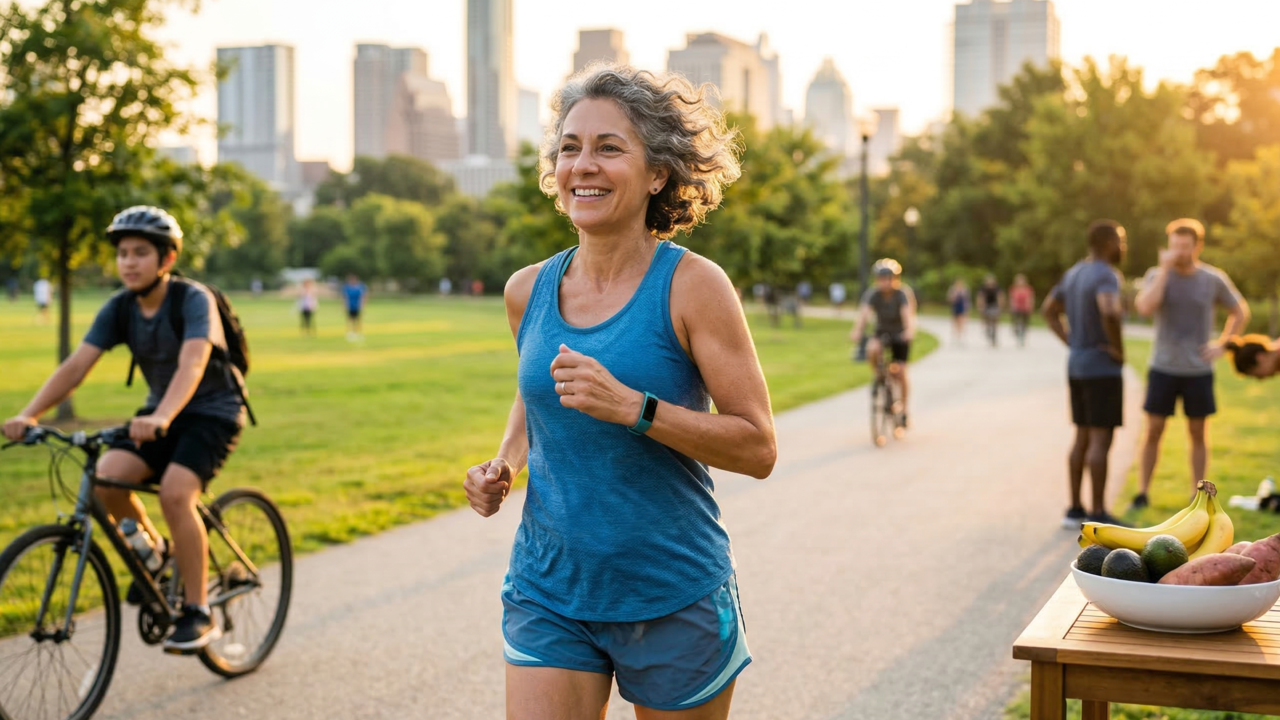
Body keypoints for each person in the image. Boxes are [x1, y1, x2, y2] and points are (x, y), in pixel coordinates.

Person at [462, 64, 775, 720]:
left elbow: (757, 447)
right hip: (549, 588)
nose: (584, 165)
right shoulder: (527, 290)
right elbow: (537, 391)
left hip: (672, 592)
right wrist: (504, 464)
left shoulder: (694, 286)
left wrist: (636, 409)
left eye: (609, 148)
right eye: (570, 147)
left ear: (658, 173)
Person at [3, 206, 246, 652]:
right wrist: (29, 414)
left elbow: (193, 362)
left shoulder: (192, 299)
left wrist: (162, 418)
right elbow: (76, 365)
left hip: (212, 411)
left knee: (176, 494)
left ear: (167, 259)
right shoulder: (120, 307)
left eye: (140, 253)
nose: (129, 263)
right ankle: (161, 557)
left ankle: (198, 610)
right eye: (122, 254)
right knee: (104, 482)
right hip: (158, 412)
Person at [1130, 219, 1248, 510]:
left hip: (1198, 370)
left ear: (1198, 246)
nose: (1180, 252)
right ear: (1168, 246)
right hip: (1163, 367)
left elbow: (1239, 310)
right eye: (1175, 246)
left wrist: (1223, 344)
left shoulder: (1212, 278)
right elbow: (1145, 308)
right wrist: (1166, 271)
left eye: (1185, 246)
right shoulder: (1157, 275)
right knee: (1153, 430)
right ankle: (1143, 492)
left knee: (1198, 433)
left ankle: (1199, 496)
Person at [1043, 220, 1128, 529]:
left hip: (1077, 365)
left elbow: (1048, 310)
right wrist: (1119, 349)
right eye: (1120, 240)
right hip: (1101, 366)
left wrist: (1072, 342)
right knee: (1100, 439)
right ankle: (1098, 512)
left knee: (1081, 435)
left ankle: (1075, 509)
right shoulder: (1106, 274)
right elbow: (1108, 310)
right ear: (1107, 243)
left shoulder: (1074, 272)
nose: (1123, 246)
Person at [850, 258, 918, 427]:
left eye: (888, 278)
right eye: (881, 278)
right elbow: (864, 314)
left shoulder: (902, 293)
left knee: (901, 372)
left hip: (900, 334)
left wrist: (909, 331)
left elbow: (907, 315)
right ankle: (879, 375)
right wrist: (857, 331)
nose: (884, 282)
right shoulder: (873, 294)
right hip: (882, 332)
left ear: (895, 278)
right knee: (872, 348)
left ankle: (903, 409)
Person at [1009, 274, 1036, 347]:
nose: (1020, 282)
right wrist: (1012, 306)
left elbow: (1031, 298)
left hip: (1025, 308)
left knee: (1024, 324)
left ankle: (1023, 337)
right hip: (1016, 308)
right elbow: (1012, 299)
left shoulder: (1028, 289)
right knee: (1016, 323)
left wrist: (1030, 306)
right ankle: (1017, 334)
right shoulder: (1014, 288)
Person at [978, 274, 1004, 347]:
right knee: (988, 321)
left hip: (994, 306)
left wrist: (1000, 307)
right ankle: (988, 332)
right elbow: (980, 298)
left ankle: (994, 338)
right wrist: (980, 307)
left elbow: (1000, 297)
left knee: (994, 322)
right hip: (986, 306)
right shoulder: (983, 289)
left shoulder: (997, 288)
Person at [342, 274, 367, 341]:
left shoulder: (360, 287)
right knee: (350, 319)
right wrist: (345, 306)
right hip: (350, 306)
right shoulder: (347, 287)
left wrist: (362, 305)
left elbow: (363, 296)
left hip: (357, 306)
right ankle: (350, 332)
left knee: (358, 319)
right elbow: (345, 297)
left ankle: (357, 332)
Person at [947, 279, 970, 345]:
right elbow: (950, 299)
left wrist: (967, 309)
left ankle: (960, 337)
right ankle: (955, 336)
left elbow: (967, 301)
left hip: (962, 307)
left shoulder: (965, 290)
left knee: (961, 322)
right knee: (955, 322)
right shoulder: (952, 290)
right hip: (955, 307)